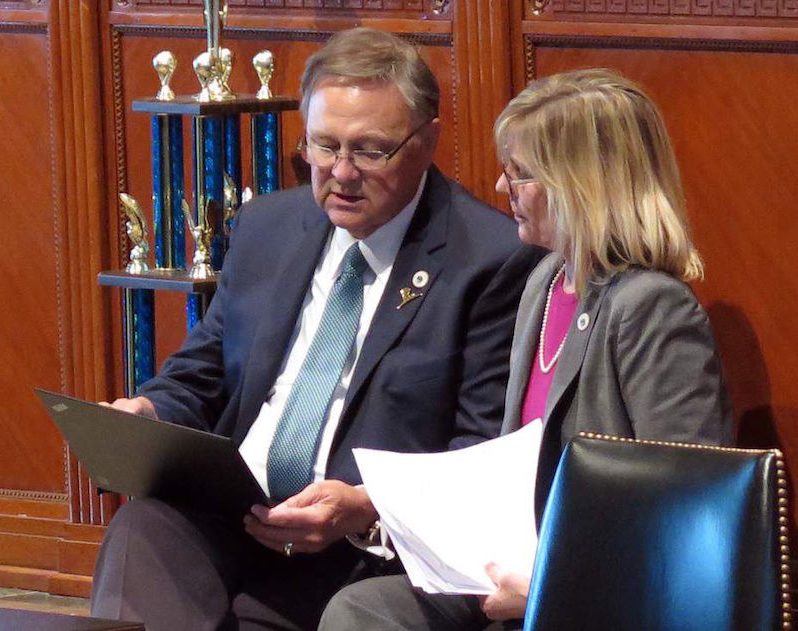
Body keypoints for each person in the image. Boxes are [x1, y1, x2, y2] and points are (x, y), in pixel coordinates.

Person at [89, 27, 544, 631]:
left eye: (371, 150)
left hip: (364, 552)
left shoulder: (489, 259)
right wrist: (148, 413)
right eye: (323, 146)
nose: (341, 172)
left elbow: (476, 454)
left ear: (428, 140)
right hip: (239, 513)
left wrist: (362, 508)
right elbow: (202, 373)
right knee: (141, 530)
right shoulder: (267, 226)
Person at [317, 68, 733, 630]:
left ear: (581, 183)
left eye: (521, 176)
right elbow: (507, 463)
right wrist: (377, 504)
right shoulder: (544, 282)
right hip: (516, 567)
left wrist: (552, 591)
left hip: (598, 594)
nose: (499, 189)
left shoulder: (652, 309)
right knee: (362, 608)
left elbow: (683, 513)